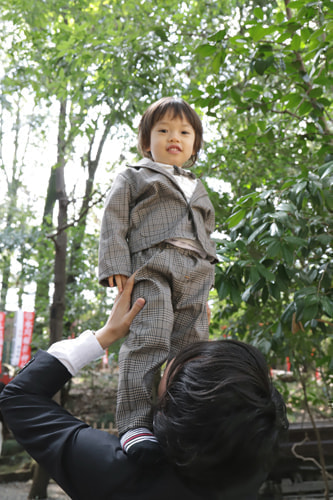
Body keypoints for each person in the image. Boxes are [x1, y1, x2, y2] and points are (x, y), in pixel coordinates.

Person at [0, 276, 288, 500]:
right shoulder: (250, 461)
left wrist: (104, 335)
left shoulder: (115, 471)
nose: (174, 357)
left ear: (166, 409)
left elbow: (18, 396)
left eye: (177, 368)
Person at [98, 96, 218, 459]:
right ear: (146, 140)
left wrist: (207, 284)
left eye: (184, 131)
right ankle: (135, 424)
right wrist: (115, 265)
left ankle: (182, 422)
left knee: (192, 348)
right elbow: (113, 221)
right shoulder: (134, 176)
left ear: (195, 143)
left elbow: (206, 231)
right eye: (163, 130)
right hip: (153, 263)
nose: (173, 137)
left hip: (196, 269)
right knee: (149, 335)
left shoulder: (198, 188)